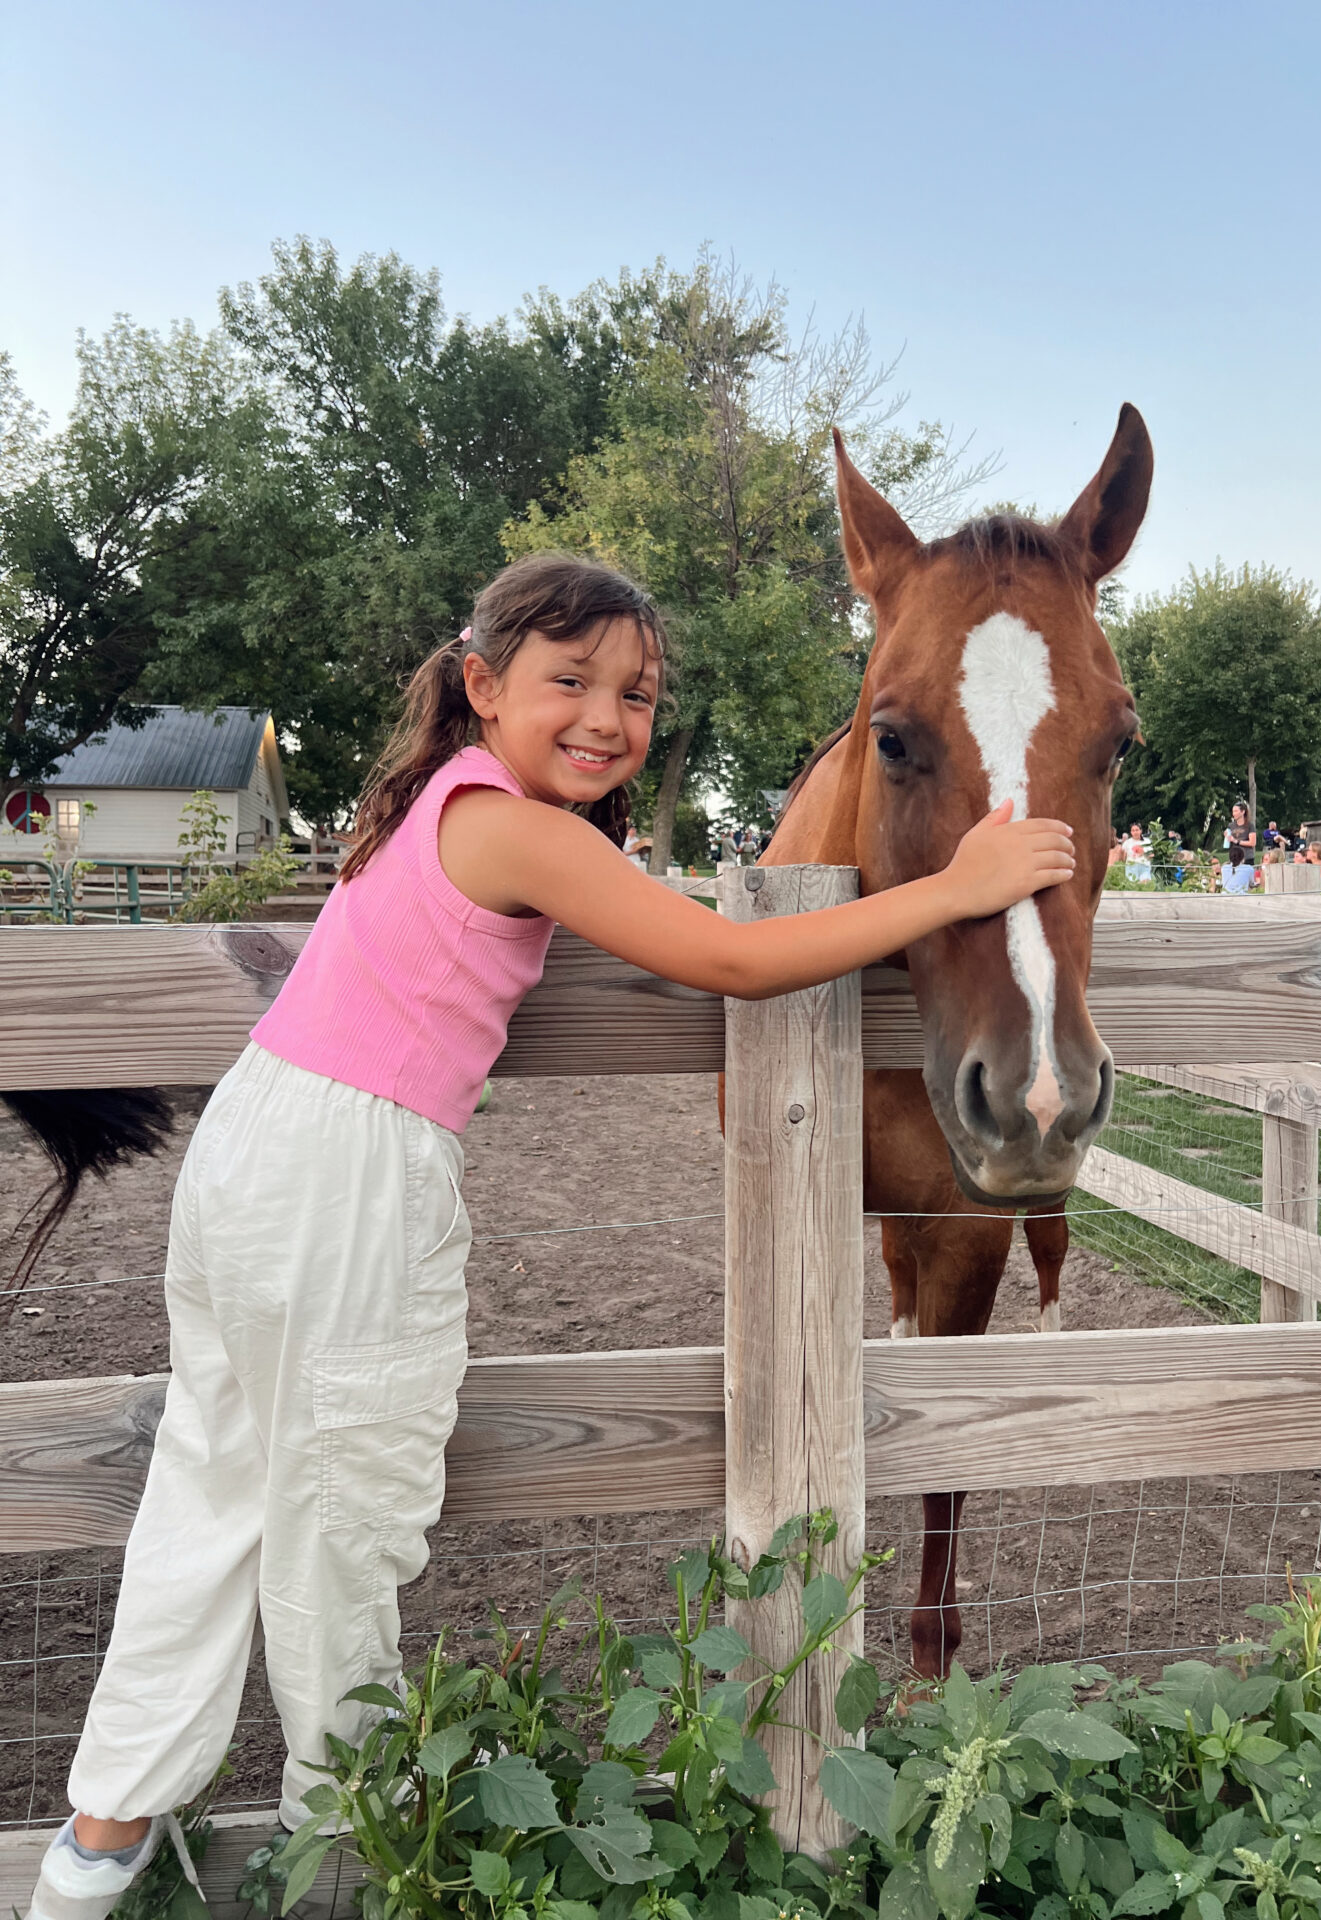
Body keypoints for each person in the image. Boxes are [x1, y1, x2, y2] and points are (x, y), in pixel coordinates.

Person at [26, 551, 1076, 1920]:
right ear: (481, 687)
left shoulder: (446, 810)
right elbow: (732, 958)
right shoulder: (522, 832)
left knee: (214, 1486)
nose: (607, 716)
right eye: (568, 682)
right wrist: (959, 883)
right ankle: (351, 1846)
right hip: (349, 1169)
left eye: (636, 694)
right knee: (348, 1513)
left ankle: (98, 1843)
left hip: (258, 1144)